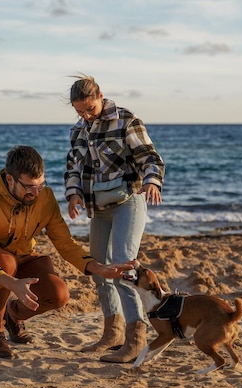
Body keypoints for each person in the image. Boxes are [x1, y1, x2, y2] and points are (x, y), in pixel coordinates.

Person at [0, 145, 133, 359]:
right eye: (29, 187)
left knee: (59, 295)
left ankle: (13, 315)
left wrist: (98, 268)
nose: (36, 192)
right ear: (10, 180)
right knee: (6, 264)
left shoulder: (45, 198)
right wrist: (11, 282)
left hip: (23, 255)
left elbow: (64, 242)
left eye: (41, 185)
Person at [64, 74, 165, 363]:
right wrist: (73, 195)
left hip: (128, 202)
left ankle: (136, 339)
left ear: (100, 97)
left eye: (89, 109)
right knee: (98, 268)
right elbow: (73, 166)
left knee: (122, 265)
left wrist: (153, 182)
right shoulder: (78, 130)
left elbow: (149, 157)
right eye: (79, 111)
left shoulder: (126, 121)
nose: (85, 115)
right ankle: (113, 333)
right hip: (100, 209)